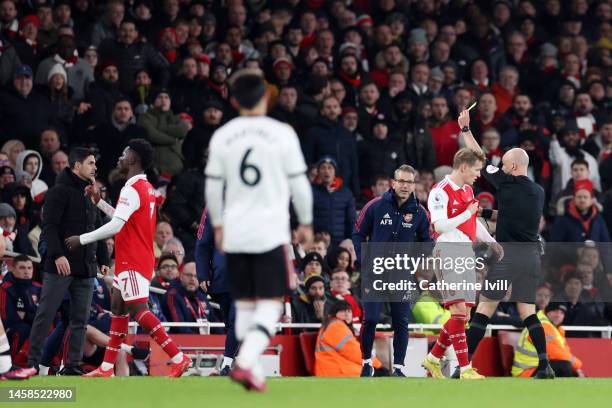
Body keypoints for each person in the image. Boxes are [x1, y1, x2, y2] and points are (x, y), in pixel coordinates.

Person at [205, 69, 313, 392]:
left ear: (234, 99)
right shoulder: (281, 133)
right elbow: (300, 185)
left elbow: (212, 187)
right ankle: (246, 359)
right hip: (270, 231)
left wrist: (218, 226)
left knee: (245, 303)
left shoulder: (223, 136)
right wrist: (306, 222)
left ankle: (249, 367)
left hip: (235, 230)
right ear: (266, 97)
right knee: (271, 305)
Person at [64, 139, 191, 377]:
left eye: (124, 153)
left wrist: (81, 239)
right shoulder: (145, 188)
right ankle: (106, 368)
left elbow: (115, 226)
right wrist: (99, 201)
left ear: (133, 158)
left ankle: (178, 356)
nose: (120, 157)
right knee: (118, 309)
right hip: (131, 258)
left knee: (138, 309)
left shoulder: (132, 188)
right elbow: (123, 219)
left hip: (133, 259)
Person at [459, 109, 555, 379]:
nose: (499, 169)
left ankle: (463, 367)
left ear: (512, 167)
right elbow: (513, 217)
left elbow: (479, 158)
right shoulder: (538, 192)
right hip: (531, 257)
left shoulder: (506, 182)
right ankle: (544, 365)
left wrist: (466, 130)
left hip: (509, 257)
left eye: (503, 166)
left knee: (485, 309)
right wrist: (486, 214)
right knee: (528, 312)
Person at [27, 147, 109, 375]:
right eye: (90, 163)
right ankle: (32, 364)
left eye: (95, 163)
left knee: (80, 320)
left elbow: (97, 228)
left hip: (86, 267)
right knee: (45, 315)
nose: (95, 167)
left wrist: (103, 258)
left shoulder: (91, 193)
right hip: (59, 266)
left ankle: (72, 366)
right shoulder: (58, 192)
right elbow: (49, 228)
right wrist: (58, 255)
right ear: (76, 165)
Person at [422, 147, 499, 380]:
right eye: (476, 170)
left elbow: (474, 222)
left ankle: (433, 358)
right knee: (458, 314)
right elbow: (438, 226)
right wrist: (466, 213)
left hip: (466, 251)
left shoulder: (467, 189)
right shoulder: (440, 191)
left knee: (463, 316)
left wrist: (491, 241)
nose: (478, 175)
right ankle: (465, 369)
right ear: (464, 167)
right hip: (447, 249)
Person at [353, 164, 431, 377]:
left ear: (414, 185)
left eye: (410, 182)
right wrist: (364, 259)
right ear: (394, 183)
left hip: (401, 275)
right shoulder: (375, 206)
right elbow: (358, 233)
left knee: (401, 321)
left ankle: (398, 368)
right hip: (375, 272)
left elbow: (428, 242)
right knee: (370, 319)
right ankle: (367, 362)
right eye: (402, 181)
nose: (406, 186)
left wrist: (412, 263)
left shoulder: (420, 212)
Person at [195, 207, 238, 375]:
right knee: (230, 323)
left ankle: (226, 365)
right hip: (222, 275)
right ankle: (239, 361)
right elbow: (203, 242)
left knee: (237, 319)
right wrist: (203, 273)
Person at [512, 303, 584, 378]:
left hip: (536, 368)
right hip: (527, 371)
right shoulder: (543, 325)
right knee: (565, 366)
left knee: (566, 366)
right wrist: (577, 365)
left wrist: (576, 368)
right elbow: (555, 354)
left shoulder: (557, 328)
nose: (558, 315)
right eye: (555, 311)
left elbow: (565, 351)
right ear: (547, 311)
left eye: (562, 313)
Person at [0, 233, 36, 380]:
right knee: (21, 329)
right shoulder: (8, 288)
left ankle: (5, 368)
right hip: (16, 328)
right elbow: (11, 318)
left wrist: (28, 314)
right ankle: (7, 367)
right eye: (22, 268)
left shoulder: (39, 287)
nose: (27, 271)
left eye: (30, 268)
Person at [314, 300, 369, 377]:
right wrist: (376, 364)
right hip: (336, 371)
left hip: (335, 368)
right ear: (334, 313)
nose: (347, 314)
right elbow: (354, 352)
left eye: (349, 311)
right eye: (342, 311)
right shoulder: (336, 326)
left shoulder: (332, 324)